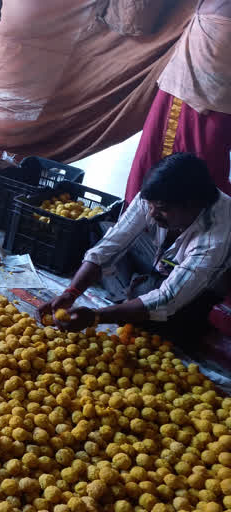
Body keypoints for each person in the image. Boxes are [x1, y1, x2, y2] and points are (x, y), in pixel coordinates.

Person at [39, 153, 231, 343]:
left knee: (159, 311)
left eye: (162, 209)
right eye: (150, 205)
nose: (152, 213)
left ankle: (135, 298)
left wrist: (96, 317)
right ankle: (134, 299)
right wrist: (71, 292)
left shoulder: (214, 237)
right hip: (161, 258)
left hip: (201, 285)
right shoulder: (158, 195)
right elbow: (110, 245)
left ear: (191, 206)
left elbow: (167, 299)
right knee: (99, 230)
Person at [124, 0, 231, 204]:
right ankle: (142, 224)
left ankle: (197, 230)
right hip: (192, 67)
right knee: (156, 150)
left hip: (216, 78)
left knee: (206, 160)